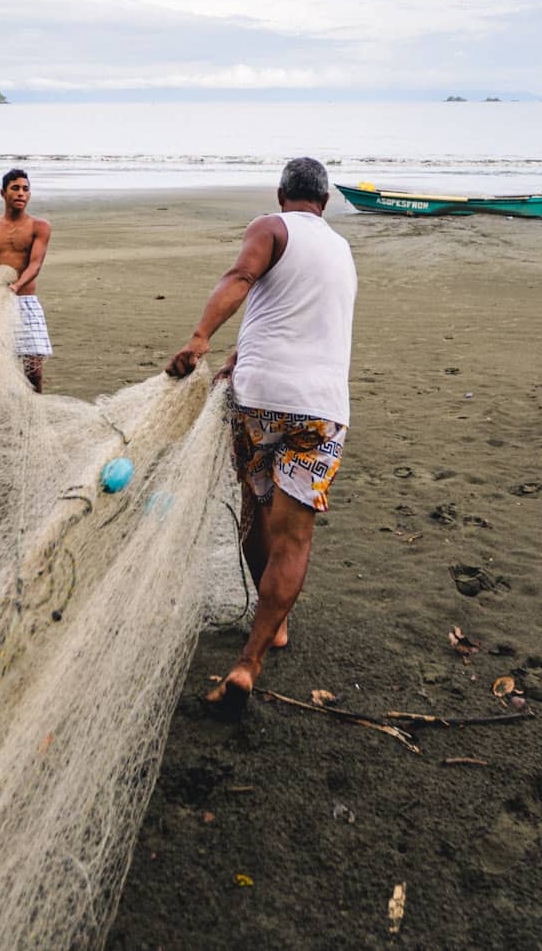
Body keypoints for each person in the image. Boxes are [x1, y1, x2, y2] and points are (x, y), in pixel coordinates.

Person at [166, 156, 356, 718]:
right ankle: (252, 658)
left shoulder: (269, 227)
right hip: (321, 408)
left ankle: (274, 627)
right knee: (294, 537)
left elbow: (241, 280)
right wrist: (236, 353)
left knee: (255, 509)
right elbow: (301, 322)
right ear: (326, 201)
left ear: (282, 194)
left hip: (259, 402)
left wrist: (201, 338)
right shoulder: (342, 250)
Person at [0, 167, 53, 391]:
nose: (21, 193)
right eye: (15, 188)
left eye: (26, 189)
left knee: (34, 369)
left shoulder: (40, 226)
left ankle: (33, 412)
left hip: (25, 301)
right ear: (3, 193)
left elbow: (35, 265)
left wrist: (15, 287)